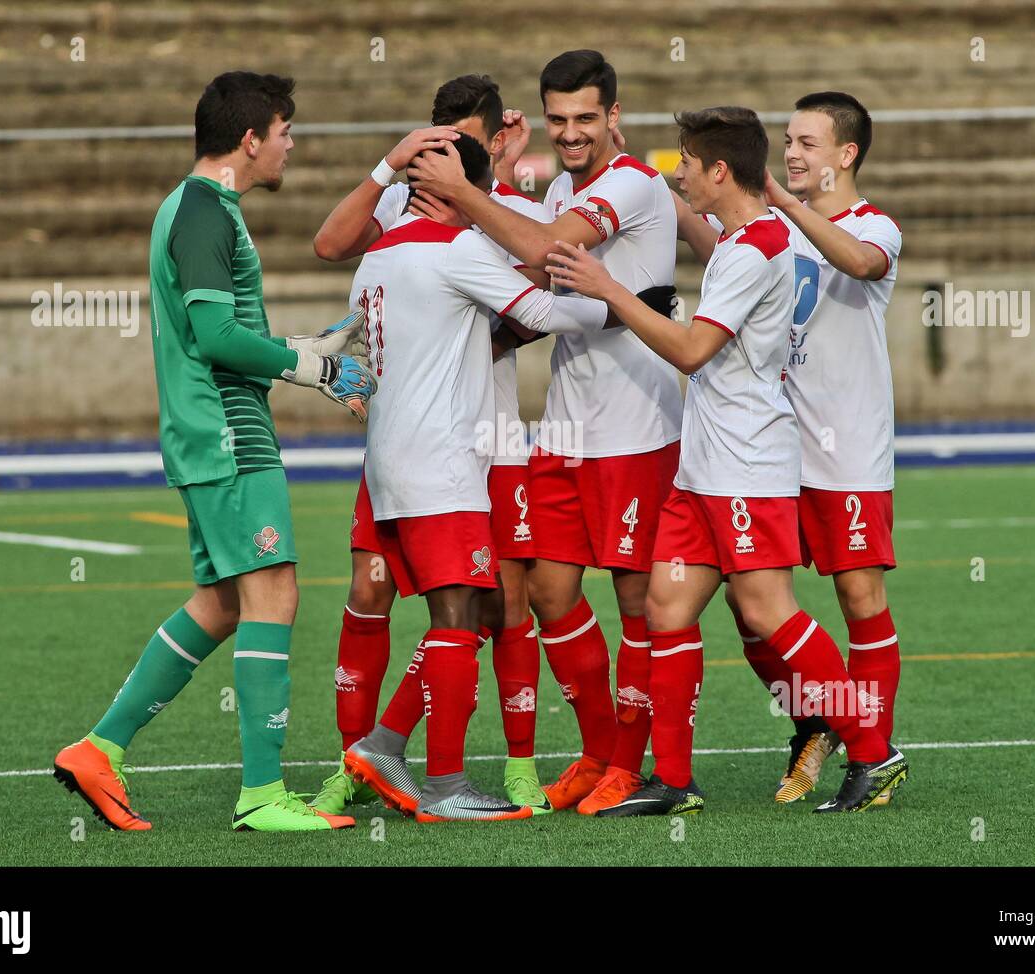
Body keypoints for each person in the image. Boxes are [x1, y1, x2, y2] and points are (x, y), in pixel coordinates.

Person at [546, 106, 907, 815]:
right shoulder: (755, 237)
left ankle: (871, 747)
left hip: (746, 463)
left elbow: (690, 350)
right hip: (704, 465)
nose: (677, 173)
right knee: (666, 606)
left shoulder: (757, 247)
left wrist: (607, 286)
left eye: (686, 162)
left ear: (718, 171)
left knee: (771, 612)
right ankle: (675, 782)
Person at [53, 71, 375, 833]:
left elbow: (224, 338)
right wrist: (312, 367)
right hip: (226, 435)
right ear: (250, 138)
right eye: (284, 130)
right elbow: (215, 338)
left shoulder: (199, 207)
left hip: (214, 430)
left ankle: (100, 748)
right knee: (275, 594)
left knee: (227, 603)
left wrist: (300, 350)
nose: (292, 144)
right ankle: (263, 795)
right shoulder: (203, 212)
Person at [407, 50, 681, 815]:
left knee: (638, 603)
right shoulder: (564, 183)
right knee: (553, 594)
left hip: (635, 426)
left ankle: (631, 763)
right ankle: (598, 750)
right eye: (557, 120)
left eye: (585, 119)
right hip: (565, 423)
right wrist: (490, 168)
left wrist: (463, 188)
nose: (570, 133)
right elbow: (535, 270)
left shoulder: (631, 182)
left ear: (614, 116)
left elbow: (540, 248)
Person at [340, 134, 619, 822]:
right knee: (459, 614)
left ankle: (383, 744)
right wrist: (621, 303)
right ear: (449, 189)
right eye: (474, 194)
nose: (482, 212)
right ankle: (444, 786)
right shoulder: (454, 249)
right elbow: (544, 312)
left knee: (468, 605)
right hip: (442, 463)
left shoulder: (376, 256)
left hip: (390, 463)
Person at [308, 75, 553, 815]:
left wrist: (475, 336)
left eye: (463, 138)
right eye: (435, 133)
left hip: (488, 434)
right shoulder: (408, 199)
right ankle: (359, 766)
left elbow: (541, 287)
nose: (443, 148)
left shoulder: (510, 207)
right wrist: (390, 165)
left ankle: (514, 764)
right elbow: (331, 245)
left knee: (498, 605)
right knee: (370, 591)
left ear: (491, 139)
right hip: (414, 440)